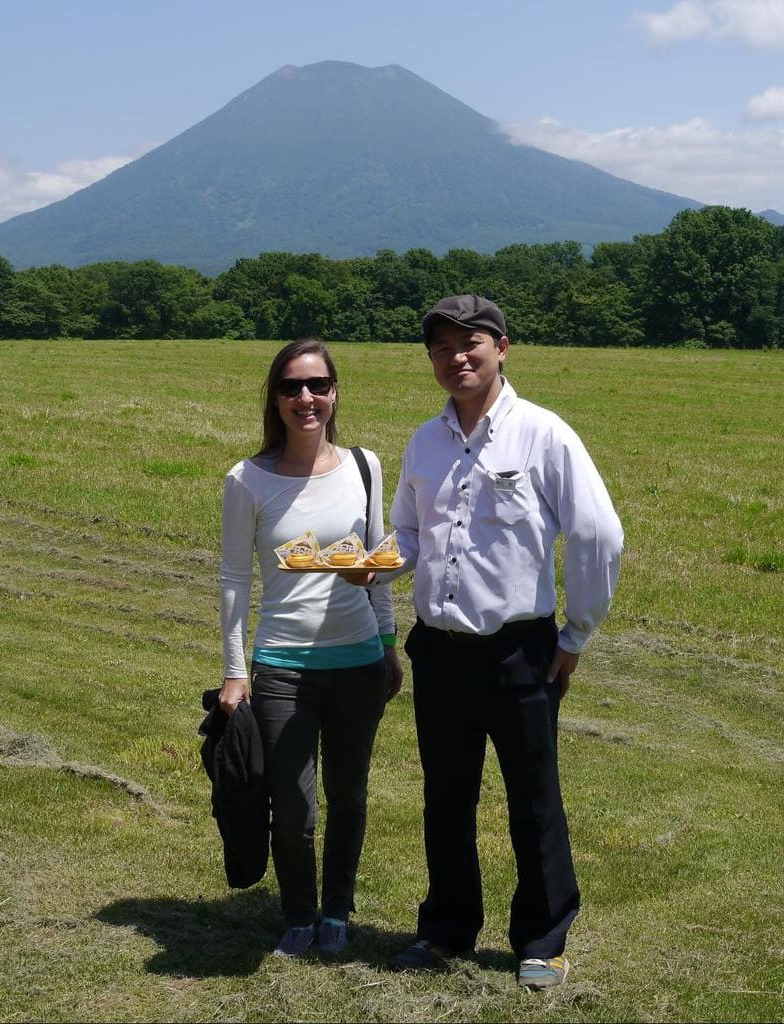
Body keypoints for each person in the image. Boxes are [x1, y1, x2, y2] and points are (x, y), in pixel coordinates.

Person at [350, 295, 623, 990]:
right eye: (440, 347)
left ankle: (541, 937)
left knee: (532, 798)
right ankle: (444, 931)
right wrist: (372, 562)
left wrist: (576, 633)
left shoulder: (542, 434)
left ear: (503, 348)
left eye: (470, 342)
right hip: (437, 650)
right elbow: (409, 535)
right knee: (444, 796)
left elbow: (596, 533)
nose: (456, 357)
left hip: (517, 650)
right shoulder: (425, 440)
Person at [218, 337, 402, 958]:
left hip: (358, 664)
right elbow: (234, 579)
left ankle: (336, 914)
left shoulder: (365, 465)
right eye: (292, 387)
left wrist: (388, 644)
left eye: (318, 385)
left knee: (349, 797)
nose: (306, 398)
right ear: (274, 397)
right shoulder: (247, 479)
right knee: (293, 808)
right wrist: (235, 672)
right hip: (282, 668)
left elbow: (376, 561)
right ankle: (297, 913)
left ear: (334, 392)